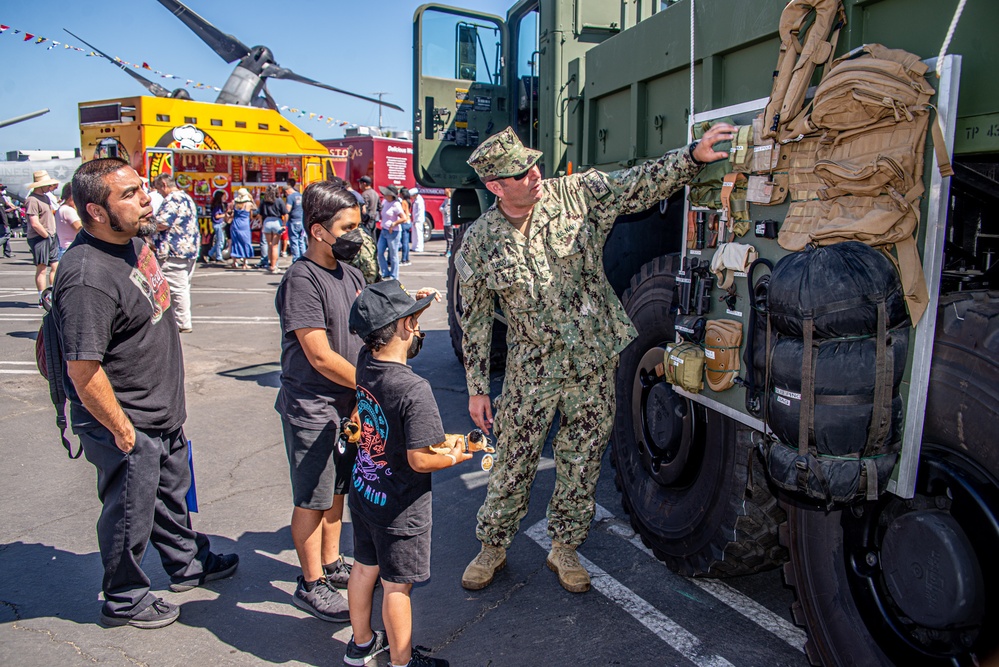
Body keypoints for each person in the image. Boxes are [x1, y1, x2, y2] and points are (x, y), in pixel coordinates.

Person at [457, 125, 734, 593]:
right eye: (520, 173)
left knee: (582, 458)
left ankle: (564, 547)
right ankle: (493, 546)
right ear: (495, 186)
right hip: (532, 368)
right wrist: (478, 388)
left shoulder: (576, 195)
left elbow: (637, 184)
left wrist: (691, 157)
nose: (534, 174)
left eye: (533, 164)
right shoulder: (480, 243)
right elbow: (477, 321)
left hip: (591, 357)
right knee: (512, 459)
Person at [54, 158, 238, 629]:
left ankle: (187, 564)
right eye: (131, 194)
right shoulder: (87, 276)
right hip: (127, 419)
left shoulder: (133, 241)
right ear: (96, 211)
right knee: (129, 513)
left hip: (161, 411)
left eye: (142, 188)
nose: (146, 198)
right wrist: (123, 432)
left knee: (170, 495)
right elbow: (83, 367)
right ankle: (125, 597)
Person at [344, 279, 464, 667]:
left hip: (366, 491)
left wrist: (418, 307)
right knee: (397, 587)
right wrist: (457, 455)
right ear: (406, 327)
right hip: (399, 508)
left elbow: (397, 327)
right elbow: (420, 459)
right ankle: (402, 661)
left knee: (364, 568)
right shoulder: (414, 389)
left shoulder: (365, 359)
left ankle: (361, 643)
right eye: (413, 320)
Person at [274, 181, 367, 623]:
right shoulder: (301, 279)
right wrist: (372, 385)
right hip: (312, 407)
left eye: (359, 226)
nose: (357, 236)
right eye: (347, 227)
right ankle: (310, 582)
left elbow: (367, 331)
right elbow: (319, 354)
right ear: (318, 230)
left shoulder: (352, 274)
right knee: (312, 497)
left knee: (336, 490)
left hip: (346, 406)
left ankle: (331, 564)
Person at [152, 173, 200, 333]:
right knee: (183, 286)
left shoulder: (173, 199)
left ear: (164, 184)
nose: (159, 193)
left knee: (177, 288)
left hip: (174, 250)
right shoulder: (186, 197)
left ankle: (182, 322)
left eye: (159, 189)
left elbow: (162, 223)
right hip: (188, 249)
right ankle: (181, 320)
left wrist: (145, 225)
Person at [24, 170, 61, 307]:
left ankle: (51, 294)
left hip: (50, 235)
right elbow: (34, 222)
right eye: (47, 185)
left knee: (55, 266)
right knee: (42, 268)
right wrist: (46, 235)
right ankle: (41, 297)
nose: (49, 187)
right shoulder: (32, 200)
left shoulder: (45, 198)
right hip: (40, 238)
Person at [376, 186, 404, 281]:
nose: (384, 195)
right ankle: (385, 272)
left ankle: (394, 275)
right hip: (384, 230)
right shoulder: (385, 202)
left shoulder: (396, 204)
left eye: (386, 194)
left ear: (391, 195)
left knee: (393, 255)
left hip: (393, 232)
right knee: (379, 252)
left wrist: (394, 224)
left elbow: (404, 218)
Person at [260, 185, 287, 274]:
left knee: (269, 245)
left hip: (267, 221)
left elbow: (260, 214)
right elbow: (286, 213)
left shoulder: (264, 201)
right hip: (277, 221)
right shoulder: (279, 200)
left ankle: (270, 263)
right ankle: (274, 266)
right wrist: (284, 224)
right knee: (275, 245)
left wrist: (261, 224)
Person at [55, 183, 83, 262]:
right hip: (72, 249)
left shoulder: (61, 209)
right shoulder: (68, 211)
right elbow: (80, 229)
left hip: (64, 247)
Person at [229, 188, 255, 269]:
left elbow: (230, 211)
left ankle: (234, 262)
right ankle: (244, 263)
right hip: (244, 225)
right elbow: (255, 208)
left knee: (235, 242)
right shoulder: (248, 203)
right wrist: (251, 198)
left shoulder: (234, 203)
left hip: (235, 224)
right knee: (245, 243)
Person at [285, 180, 306, 262]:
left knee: (294, 241)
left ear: (287, 191)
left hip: (293, 221)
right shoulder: (301, 195)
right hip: (302, 221)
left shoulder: (290, 197)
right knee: (301, 241)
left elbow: (287, 210)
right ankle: (304, 259)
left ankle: (296, 260)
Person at [209, 190, 230, 263]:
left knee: (220, 241)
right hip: (218, 224)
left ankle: (211, 253)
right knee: (220, 241)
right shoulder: (218, 206)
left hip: (218, 224)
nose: (224, 198)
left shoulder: (217, 205)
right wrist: (225, 215)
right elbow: (217, 216)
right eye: (223, 196)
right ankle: (218, 256)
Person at [398, 189, 413, 267]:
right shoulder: (409, 201)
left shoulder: (403, 202)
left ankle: (404, 259)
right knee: (406, 242)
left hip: (404, 222)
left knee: (404, 242)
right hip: (408, 221)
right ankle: (406, 258)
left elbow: (402, 211)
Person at [409, 188, 426, 253]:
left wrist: (416, 220)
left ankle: (419, 247)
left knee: (418, 234)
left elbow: (419, 212)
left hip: (418, 220)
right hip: (415, 219)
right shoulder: (416, 200)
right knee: (414, 234)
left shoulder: (419, 200)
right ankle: (414, 246)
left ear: (415, 195)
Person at [440, 188, 453, 258]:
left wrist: (445, 210)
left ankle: (450, 251)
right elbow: (441, 208)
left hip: (449, 221)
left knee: (450, 238)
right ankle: (447, 250)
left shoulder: (451, 201)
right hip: (445, 221)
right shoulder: (446, 200)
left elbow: (449, 210)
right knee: (446, 237)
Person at [0, 183, 12, 259]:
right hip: (1, 221)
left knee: (5, 236)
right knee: (6, 235)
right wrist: (5, 222)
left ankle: (7, 252)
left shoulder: (2, 197)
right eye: (1, 189)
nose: (2, 190)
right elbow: (1, 211)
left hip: (2, 220)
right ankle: (7, 252)